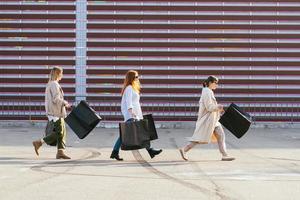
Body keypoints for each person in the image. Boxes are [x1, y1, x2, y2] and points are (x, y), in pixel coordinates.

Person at [179, 76, 235, 161]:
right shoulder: (207, 92)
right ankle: (184, 150)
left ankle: (224, 155)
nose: (217, 85)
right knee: (199, 138)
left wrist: (218, 108)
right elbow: (209, 107)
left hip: (212, 120)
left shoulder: (208, 91)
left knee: (220, 135)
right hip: (207, 121)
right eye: (215, 83)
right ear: (210, 83)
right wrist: (218, 106)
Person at [110, 70, 162, 161]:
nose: (138, 78)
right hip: (131, 115)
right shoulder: (129, 88)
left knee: (125, 135)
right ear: (131, 78)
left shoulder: (133, 88)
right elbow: (129, 102)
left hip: (136, 114)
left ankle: (114, 152)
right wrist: (132, 113)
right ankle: (150, 150)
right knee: (140, 132)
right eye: (136, 77)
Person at [32, 66, 71, 159]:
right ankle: (39, 142)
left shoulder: (51, 84)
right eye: (61, 73)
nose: (62, 75)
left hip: (55, 112)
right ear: (58, 74)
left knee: (62, 131)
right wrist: (65, 103)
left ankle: (60, 151)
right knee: (59, 132)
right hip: (55, 112)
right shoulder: (54, 84)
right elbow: (56, 99)